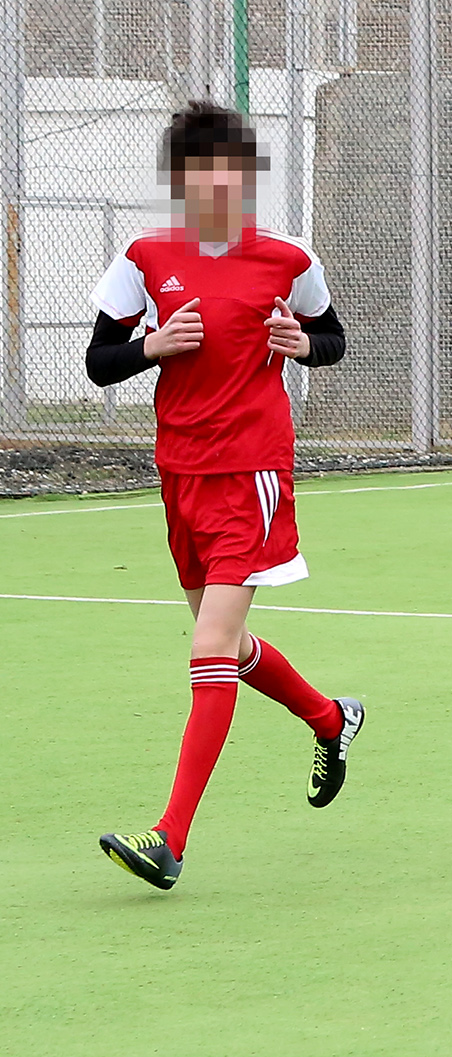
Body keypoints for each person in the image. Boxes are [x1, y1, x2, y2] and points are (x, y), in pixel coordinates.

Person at [84, 100, 361, 892]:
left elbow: (332, 338)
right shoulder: (143, 256)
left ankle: (168, 837)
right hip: (181, 474)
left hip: (253, 472)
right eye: (200, 169)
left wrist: (304, 344)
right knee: (228, 647)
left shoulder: (287, 258)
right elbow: (101, 361)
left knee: (208, 649)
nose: (217, 182)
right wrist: (152, 345)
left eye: (230, 170)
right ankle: (329, 718)